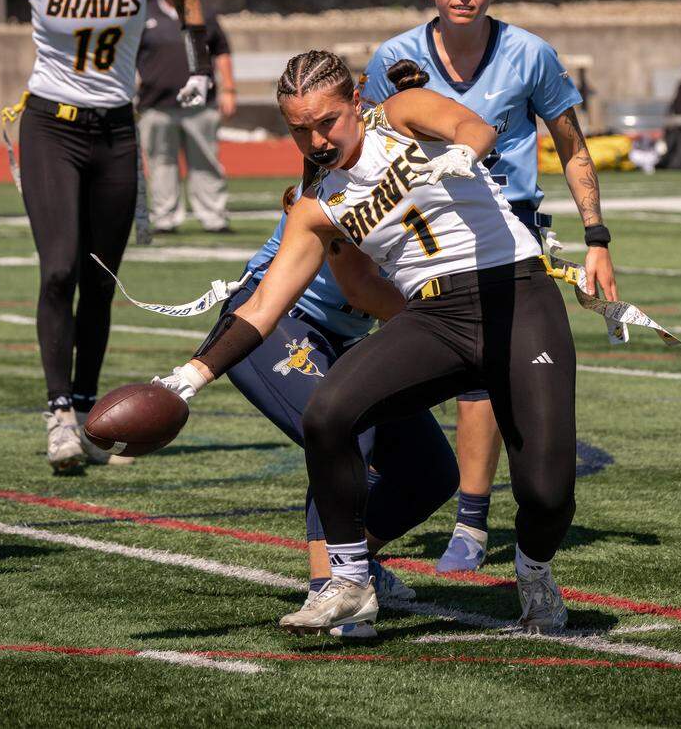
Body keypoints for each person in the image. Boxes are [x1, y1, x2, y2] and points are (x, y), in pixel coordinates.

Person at [156, 51, 591, 635]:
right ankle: (348, 580)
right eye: (298, 129)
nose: (314, 140)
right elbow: (263, 306)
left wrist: (463, 153)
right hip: (433, 313)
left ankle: (534, 570)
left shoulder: (401, 113)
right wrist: (190, 377)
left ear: (355, 104)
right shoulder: (317, 204)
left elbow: (476, 126)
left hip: (516, 294)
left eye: (326, 122)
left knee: (546, 489)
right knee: (330, 412)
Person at [361, 0, 616, 575]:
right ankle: (371, 530)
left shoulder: (529, 53)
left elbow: (572, 145)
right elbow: (360, 152)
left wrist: (596, 239)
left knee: (489, 384)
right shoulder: (392, 57)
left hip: (511, 236)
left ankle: (472, 524)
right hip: (427, 242)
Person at [0, 0, 215, 473]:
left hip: (117, 128)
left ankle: (89, 416)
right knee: (60, 267)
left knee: (100, 278)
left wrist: (200, 67)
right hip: (51, 126)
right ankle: (58, 413)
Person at [218, 185, 459, 636]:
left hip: (347, 335)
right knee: (341, 428)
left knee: (432, 473)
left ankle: (357, 562)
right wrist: (450, 328)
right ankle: (329, 584)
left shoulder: (452, 190)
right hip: (278, 317)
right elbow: (365, 289)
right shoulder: (367, 176)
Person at [137, 0, 235, 233]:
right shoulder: (142, 12)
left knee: (205, 161)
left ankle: (214, 218)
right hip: (156, 104)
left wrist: (229, 88)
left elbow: (221, 50)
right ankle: (164, 219)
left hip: (199, 105)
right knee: (160, 162)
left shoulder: (202, 12)